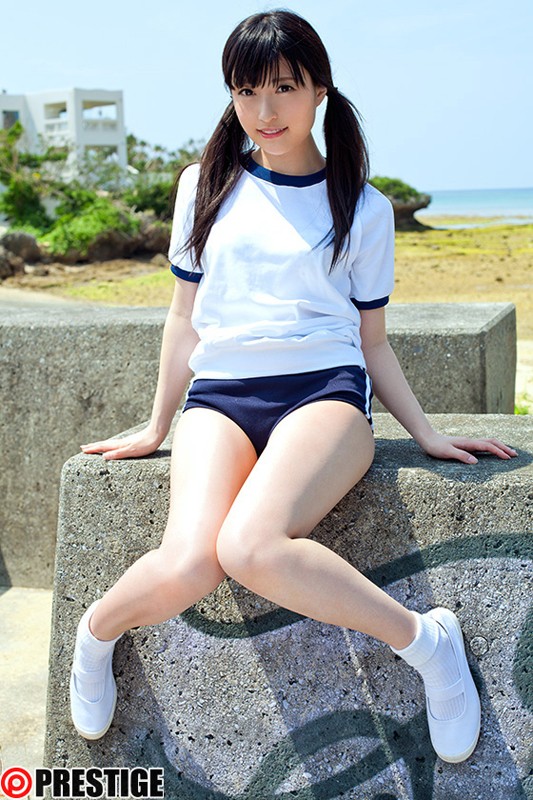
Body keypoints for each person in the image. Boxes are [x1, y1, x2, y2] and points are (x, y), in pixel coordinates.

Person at [69, 9, 516, 765]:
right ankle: (94, 634)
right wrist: (155, 425)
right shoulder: (203, 186)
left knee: (250, 547)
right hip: (220, 396)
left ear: (320, 90)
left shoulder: (363, 206)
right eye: (246, 91)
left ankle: (427, 644)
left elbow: (372, 340)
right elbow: (182, 318)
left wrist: (427, 433)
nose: (264, 109)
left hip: (323, 393)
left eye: (283, 87)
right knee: (190, 562)